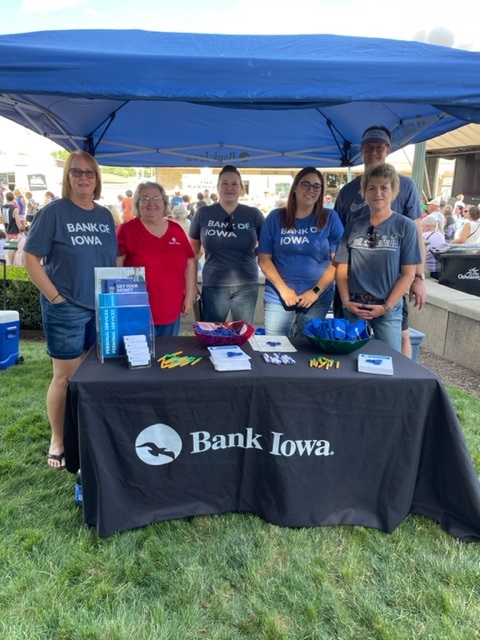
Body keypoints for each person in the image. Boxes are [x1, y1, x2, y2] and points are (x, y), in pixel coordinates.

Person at [23, 150, 118, 469]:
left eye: (89, 173)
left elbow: (110, 260)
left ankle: (89, 432)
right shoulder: (53, 212)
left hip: (101, 306)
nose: (83, 178)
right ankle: (58, 439)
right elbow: (30, 259)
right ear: (67, 176)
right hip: (67, 307)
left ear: (97, 179)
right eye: (76, 172)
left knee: (95, 373)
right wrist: (54, 298)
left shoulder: (106, 215)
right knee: (64, 377)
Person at [334, 125, 426, 358]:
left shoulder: (406, 199)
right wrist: (346, 301)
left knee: (394, 352)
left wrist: (418, 278)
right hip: (354, 301)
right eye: (368, 148)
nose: (378, 193)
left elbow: (412, 252)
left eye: (384, 188)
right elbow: (341, 263)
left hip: (388, 301)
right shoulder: (348, 196)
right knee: (350, 358)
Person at [258, 167, 344, 336]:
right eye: (305, 184)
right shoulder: (275, 217)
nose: (311, 190)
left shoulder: (330, 218)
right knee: (275, 348)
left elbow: (338, 261)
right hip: (278, 296)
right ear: (295, 187)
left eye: (316, 186)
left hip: (316, 297)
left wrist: (315, 292)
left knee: (307, 349)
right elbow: (264, 259)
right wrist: (283, 289)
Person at [117, 181, 196, 336]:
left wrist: (189, 296)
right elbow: (116, 267)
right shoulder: (126, 230)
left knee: (166, 357)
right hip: (136, 312)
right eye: (144, 198)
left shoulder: (176, 230)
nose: (151, 203)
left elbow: (190, 262)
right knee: (139, 358)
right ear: (137, 203)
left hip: (171, 309)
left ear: (164, 202)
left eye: (156, 198)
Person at [189, 165, 265, 324]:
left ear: (241, 188)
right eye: (224, 183)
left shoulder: (253, 214)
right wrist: (192, 284)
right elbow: (192, 253)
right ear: (217, 187)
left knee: (243, 335)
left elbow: (266, 250)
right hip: (214, 284)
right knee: (212, 335)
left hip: (246, 285)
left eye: (234, 184)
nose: (229, 188)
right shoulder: (203, 213)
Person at [1, 191, 24, 264]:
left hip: (7, 230)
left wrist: (5, 228)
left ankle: (10, 264)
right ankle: (12, 265)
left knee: (10, 248)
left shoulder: (2, 207)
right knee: (14, 249)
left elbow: (3, 220)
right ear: (13, 198)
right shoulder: (15, 209)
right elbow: (17, 221)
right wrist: (22, 229)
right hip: (15, 231)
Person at [421, 215, 447, 279]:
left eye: (421, 226)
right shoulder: (441, 235)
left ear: (427, 226)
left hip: (427, 268)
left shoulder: (423, 235)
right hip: (439, 268)